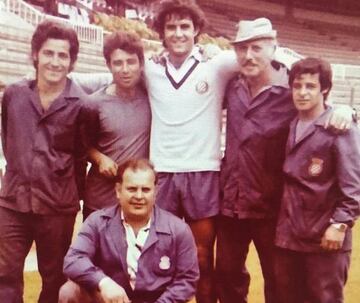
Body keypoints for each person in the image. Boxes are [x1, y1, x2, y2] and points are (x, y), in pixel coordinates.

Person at [71, 1, 238, 302]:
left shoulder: (218, 64)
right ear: (161, 32)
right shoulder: (150, 68)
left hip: (203, 172)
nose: (178, 33)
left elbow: (267, 57)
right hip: (161, 174)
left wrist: (341, 106)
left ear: (197, 30)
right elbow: (110, 75)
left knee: (201, 258)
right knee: (157, 257)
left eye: (185, 26)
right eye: (171, 27)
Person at [216, 18, 355, 303]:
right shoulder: (231, 86)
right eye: (242, 49)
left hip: (275, 211)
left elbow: (319, 101)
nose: (248, 55)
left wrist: (346, 109)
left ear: (274, 48)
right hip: (231, 204)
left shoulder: (290, 92)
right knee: (227, 277)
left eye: (256, 47)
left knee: (280, 285)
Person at [0, 20, 89, 303]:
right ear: (36, 54)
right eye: (49, 53)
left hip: (57, 206)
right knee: (4, 275)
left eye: (63, 55)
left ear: (72, 61)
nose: (55, 61)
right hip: (12, 202)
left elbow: (81, 155)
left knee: (53, 278)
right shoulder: (13, 95)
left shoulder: (82, 104)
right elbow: (9, 138)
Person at [274, 57, 360, 303]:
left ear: (325, 89)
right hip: (288, 235)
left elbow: (354, 186)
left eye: (310, 86)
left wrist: (340, 225)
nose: (302, 93)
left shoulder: (339, 128)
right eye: (297, 86)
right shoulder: (290, 123)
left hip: (324, 238)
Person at [58, 158, 199, 303]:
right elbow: (73, 260)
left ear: (155, 192)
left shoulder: (178, 229)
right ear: (118, 190)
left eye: (145, 189)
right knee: (70, 292)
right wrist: (103, 282)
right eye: (132, 189)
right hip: (112, 300)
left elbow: (187, 280)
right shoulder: (97, 222)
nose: (139, 196)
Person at [83, 31, 151, 220]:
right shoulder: (94, 103)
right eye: (118, 63)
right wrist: (99, 159)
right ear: (108, 66)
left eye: (131, 62)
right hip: (100, 201)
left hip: (136, 201)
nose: (125, 69)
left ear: (141, 64)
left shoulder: (152, 99)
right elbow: (81, 145)